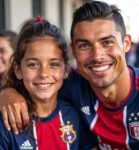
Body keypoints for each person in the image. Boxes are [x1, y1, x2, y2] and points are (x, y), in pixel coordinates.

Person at [0, 1, 139, 150]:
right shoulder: (71, 83)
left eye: (107, 42)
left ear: (126, 43)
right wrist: (8, 94)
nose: (97, 56)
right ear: (73, 50)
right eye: (84, 45)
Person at [0, 17, 98, 150]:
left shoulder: (75, 114)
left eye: (53, 64)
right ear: (18, 70)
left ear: (66, 70)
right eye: (33, 64)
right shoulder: (7, 120)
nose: (44, 73)